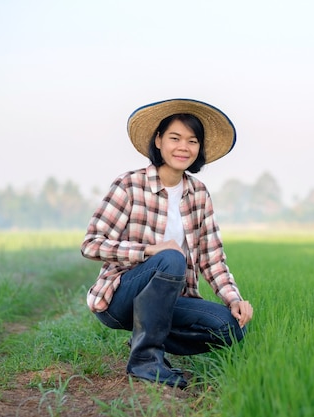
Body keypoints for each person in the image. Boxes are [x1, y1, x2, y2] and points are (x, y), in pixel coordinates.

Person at [80, 98, 254, 389]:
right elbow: (91, 244)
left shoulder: (198, 193)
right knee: (172, 257)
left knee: (231, 328)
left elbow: (212, 258)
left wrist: (233, 299)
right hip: (120, 297)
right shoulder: (129, 185)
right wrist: (148, 251)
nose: (183, 147)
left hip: (169, 300)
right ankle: (146, 361)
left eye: (192, 140)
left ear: (199, 148)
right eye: (175, 138)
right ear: (158, 140)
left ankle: (144, 338)